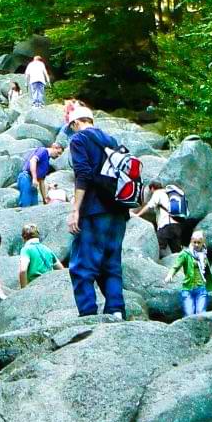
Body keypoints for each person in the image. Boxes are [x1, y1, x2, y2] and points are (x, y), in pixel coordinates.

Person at [66, 106, 129, 320]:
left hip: (94, 211)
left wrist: (75, 210)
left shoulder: (79, 140)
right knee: (111, 264)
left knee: (82, 266)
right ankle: (116, 310)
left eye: (71, 127)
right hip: (118, 211)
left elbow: (82, 174)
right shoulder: (112, 141)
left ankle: (88, 315)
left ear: (75, 123)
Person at [165, 229, 212, 316]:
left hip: (201, 288)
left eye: (199, 242)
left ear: (203, 242)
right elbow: (176, 266)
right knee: (189, 314)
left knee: (201, 314)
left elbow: (206, 270)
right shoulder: (185, 254)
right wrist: (170, 275)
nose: (196, 245)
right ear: (191, 241)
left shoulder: (203, 254)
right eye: (194, 242)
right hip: (188, 289)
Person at [133, 182, 182, 255]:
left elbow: (149, 205)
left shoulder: (158, 193)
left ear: (152, 188)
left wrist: (138, 214)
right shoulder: (170, 194)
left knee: (157, 246)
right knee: (177, 251)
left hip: (165, 225)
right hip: (177, 226)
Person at [17, 142, 63, 208]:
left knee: (34, 205)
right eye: (58, 153)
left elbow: (42, 181)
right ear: (54, 147)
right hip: (26, 177)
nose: (58, 156)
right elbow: (33, 161)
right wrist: (35, 179)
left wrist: (44, 198)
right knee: (26, 204)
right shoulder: (43, 151)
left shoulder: (46, 162)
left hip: (33, 182)